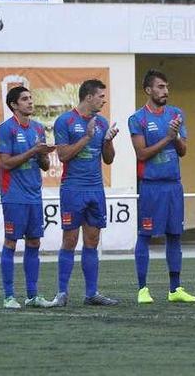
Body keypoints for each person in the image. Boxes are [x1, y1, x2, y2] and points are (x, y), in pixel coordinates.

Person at [129, 69, 195, 304]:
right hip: (151, 186)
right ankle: (143, 289)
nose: (165, 91)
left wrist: (176, 136)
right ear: (148, 90)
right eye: (160, 87)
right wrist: (168, 138)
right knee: (145, 235)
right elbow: (141, 154)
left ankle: (175, 289)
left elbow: (184, 150)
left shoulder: (176, 114)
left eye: (167, 86)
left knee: (175, 235)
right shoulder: (137, 119)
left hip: (173, 186)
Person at [50, 79, 120, 307]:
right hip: (73, 189)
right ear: (88, 97)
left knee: (92, 240)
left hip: (95, 189)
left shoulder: (102, 122)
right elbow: (63, 155)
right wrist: (87, 138)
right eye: (100, 96)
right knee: (69, 240)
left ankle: (91, 293)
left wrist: (108, 141)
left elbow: (108, 159)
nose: (104, 100)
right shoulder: (65, 121)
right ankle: (62, 293)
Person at [0, 86, 57, 309]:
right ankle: (9, 296)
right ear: (14, 105)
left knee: (34, 241)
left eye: (31, 98)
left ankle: (32, 296)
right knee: (11, 242)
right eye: (25, 99)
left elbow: (45, 165)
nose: (30, 102)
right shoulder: (6, 129)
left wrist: (43, 155)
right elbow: (6, 163)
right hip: (13, 194)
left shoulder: (38, 129)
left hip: (34, 194)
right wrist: (33, 151)